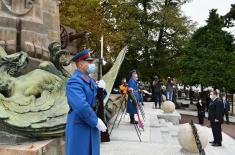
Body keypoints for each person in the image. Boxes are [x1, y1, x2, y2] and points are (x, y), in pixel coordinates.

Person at [66, 49, 107, 155]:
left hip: (91, 124)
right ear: (80, 64)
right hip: (80, 126)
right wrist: (96, 121)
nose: (92, 64)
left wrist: (102, 89)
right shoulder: (74, 81)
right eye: (89, 62)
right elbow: (81, 106)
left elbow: (98, 99)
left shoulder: (90, 80)